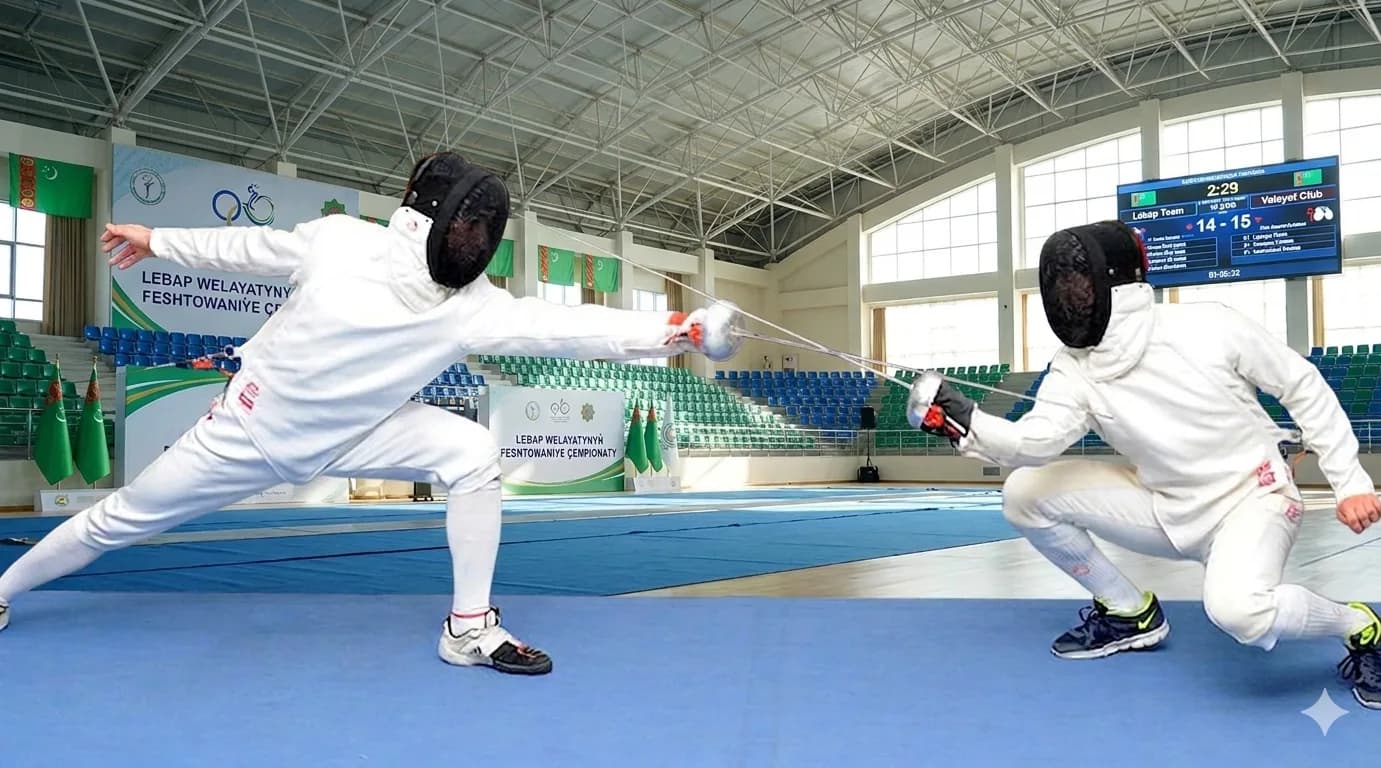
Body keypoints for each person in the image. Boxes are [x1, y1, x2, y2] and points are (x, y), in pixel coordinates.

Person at [0, 152, 743, 676]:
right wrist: (158, 238)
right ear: (440, 228)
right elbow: (248, 248)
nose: (472, 241)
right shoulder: (347, 248)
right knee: (118, 519)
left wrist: (672, 330)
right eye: (466, 229)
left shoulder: (461, 303)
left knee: (470, 453)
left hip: (354, 432)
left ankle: (468, 628)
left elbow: (567, 326)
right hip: (247, 434)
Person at [906, 220, 1381, 709]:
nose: (1070, 294)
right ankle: (1129, 613)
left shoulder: (1207, 325)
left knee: (1240, 612)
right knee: (1024, 493)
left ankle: (1362, 627)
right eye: (1062, 283)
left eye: (1079, 281)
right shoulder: (1074, 366)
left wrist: (1349, 482)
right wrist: (965, 422)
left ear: (1115, 282)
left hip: (1253, 502)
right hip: (1165, 508)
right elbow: (1034, 442)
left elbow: (1301, 385)